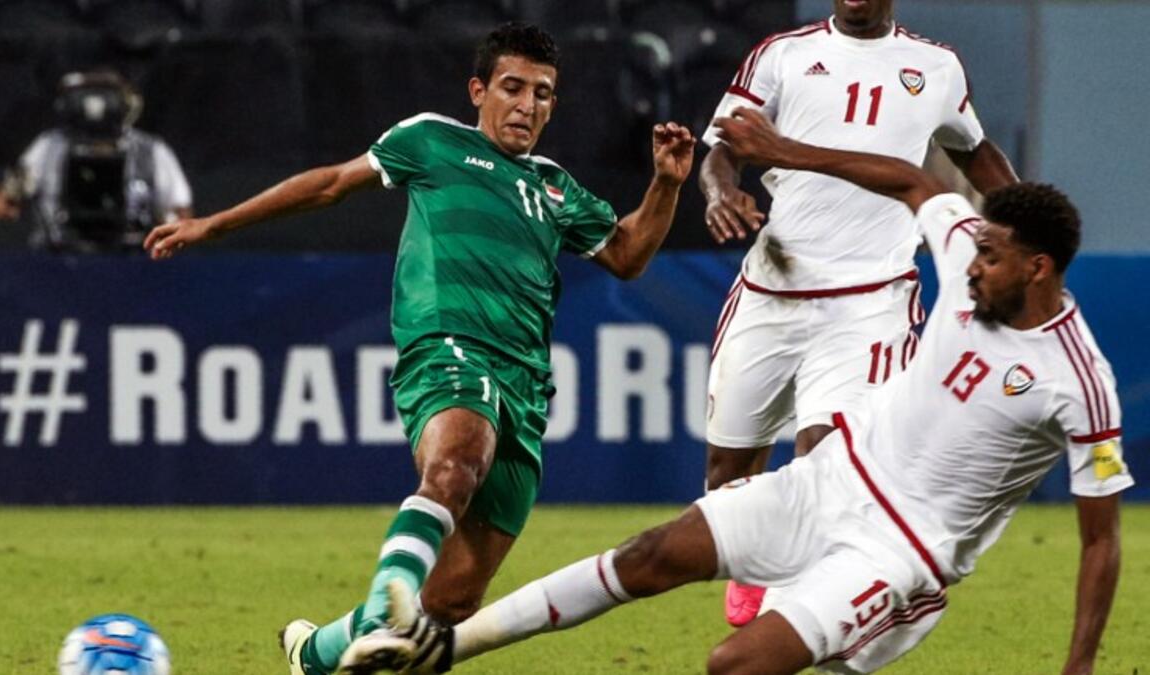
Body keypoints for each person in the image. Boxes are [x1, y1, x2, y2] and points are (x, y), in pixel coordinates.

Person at [379, 109, 1131, 675]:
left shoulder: (1079, 380)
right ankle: (443, 648)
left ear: (1038, 269)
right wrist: (783, 151)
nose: (971, 265)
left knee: (734, 664)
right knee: (650, 555)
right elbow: (914, 181)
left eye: (992, 258)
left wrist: (1078, 666)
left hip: (898, 551)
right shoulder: (971, 248)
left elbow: (1100, 540)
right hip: (830, 480)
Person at [142, 22, 696, 675]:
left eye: (542, 93)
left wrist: (666, 184)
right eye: (512, 88)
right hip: (447, 347)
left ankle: (314, 653)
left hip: (524, 387)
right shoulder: (432, 140)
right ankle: (388, 595)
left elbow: (628, 255)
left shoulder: (555, 188)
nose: (527, 105)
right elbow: (329, 184)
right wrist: (213, 224)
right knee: (455, 465)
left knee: (451, 601)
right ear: (478, 91)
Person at [698, 0, 1020, 625]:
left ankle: (792, 627)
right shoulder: (782, 55)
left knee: (828, 460)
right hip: (772, 290)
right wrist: (720, 191)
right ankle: (754, 563)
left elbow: (974, 150)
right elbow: (723, 148)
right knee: (726, 469)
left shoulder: (935, 67)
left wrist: (1027, 221)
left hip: (871, 300)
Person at [0, 69, 192, 253]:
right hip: (59, 257)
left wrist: (166, 229)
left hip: (132, 258)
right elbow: (3, 203)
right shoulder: (48, 147)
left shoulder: (150, 150)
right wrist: (11, 197)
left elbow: (181, 213)